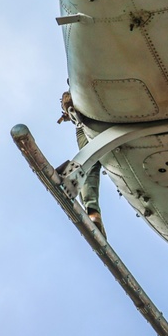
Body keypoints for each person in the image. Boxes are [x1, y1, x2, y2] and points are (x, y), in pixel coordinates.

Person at [58, 91, 105, 236]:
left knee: (90, 161)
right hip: (85, 122)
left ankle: (93, 212)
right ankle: (93, 213)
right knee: (89, 161)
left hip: (85, 121)